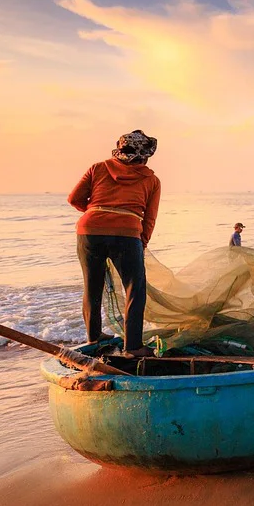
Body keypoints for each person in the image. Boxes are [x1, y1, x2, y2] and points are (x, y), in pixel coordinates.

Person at [68, 130, 162, 357]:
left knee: (92, 287)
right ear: (145, 155)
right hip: (127, 233)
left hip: (89, 230)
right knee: (134, 289)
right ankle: (133, 347)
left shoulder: (98, 168)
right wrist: (142, 242)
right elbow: (149, 218)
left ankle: (94, 337)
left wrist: (96, 212)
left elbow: (74, 199)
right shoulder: (151, 180)